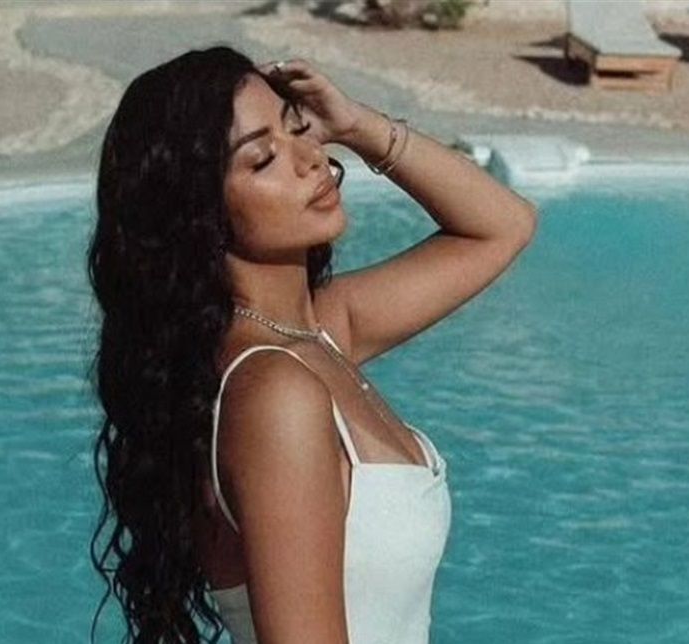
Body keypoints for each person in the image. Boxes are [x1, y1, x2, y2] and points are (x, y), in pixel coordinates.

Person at [88, 45, 536, 644]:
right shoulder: (272, 393)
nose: (311, 160)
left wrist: (355, 125)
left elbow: (503, 226)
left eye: (299, 129)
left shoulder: (318, 332)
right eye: (263, 158)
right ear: (199, 213)